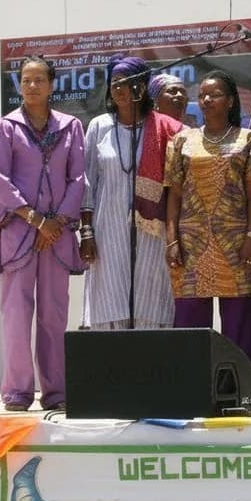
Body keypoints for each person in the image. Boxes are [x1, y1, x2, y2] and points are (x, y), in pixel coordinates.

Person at [0, 56, 86, 412]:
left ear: (52, 84)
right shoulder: (5, 128)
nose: (31, 86)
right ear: (18, 85)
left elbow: (78, 179)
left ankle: (56, 391)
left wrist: (55, 221)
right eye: (25, 80)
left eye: (39, 79)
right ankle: (17, 392)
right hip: (18, 232)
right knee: (15, 312)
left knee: (54, 313)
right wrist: (34, 219)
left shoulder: (71, 126)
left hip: (56, 234)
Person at [165, 70, 251, 364]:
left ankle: (241, 386)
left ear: (231, 101)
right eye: (203, 95)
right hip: (192, 242)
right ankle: (192, 384)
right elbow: (174, 196)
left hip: (235, 241)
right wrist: (172, 241)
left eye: (215, 95)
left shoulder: (248, 139)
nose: (206, 100)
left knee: (239, 321)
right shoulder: (182, 141)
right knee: (191, 321)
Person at [80, 57, 183, 331]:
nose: (120, 89)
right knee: (110, 299)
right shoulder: (99, 126)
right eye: (115, 83)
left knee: (151, 300)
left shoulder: (165, 129)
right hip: (108, 231)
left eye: (128, 83)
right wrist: (86, 233)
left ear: (143, 86)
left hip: (153, 234)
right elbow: (87, 182)